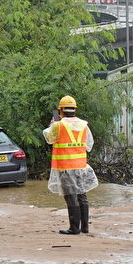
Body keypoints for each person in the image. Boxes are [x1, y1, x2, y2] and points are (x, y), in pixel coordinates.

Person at [43, 95, 98, 235]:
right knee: (82, 195)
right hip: (81, 166)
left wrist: (53, 124)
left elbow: (49, 138)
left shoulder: (58, 125)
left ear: (60, 111)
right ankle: (84, 228)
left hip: (65, 166)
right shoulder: (84, 125)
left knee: (71, 196)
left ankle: (74, 228)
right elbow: (89, 145)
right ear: (74, 110)